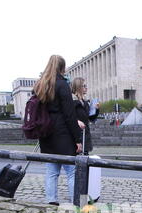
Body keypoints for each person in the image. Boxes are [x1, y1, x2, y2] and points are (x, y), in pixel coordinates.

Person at [34, 55, 82, 205]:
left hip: (46, 132)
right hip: (62, 133)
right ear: (61, 67)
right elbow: (69, 114)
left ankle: (51, 201)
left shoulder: (40, 85)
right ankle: (76, 202)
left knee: (51, 172)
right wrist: (78, 139)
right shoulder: (62, 85)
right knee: (71, 171)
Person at [71, 77, 99, 154]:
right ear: (78, 87)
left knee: (84, 160)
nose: (86, 87)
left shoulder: (85, 102)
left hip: (85, 135)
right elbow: (68, 117)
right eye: (84, 86)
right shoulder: (72, 101)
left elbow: (90, 118)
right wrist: (77, 121)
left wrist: (96, 110)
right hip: (76, 136)